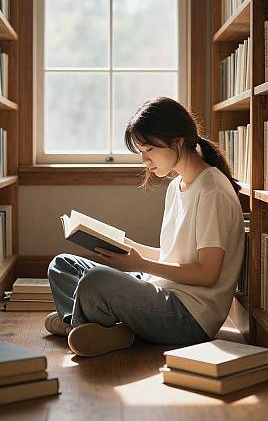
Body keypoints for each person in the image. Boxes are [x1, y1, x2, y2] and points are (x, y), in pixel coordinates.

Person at [45, 97, 245, 357]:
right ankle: (94, 326)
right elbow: (172, 256)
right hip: (161, 289)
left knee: (96, 281)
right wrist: (122, 245)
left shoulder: (212, 191)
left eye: (148, 149)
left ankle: (83, 323)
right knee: (63, 265)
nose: (144, 160)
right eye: (141, 151)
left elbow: (207, 274)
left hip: (188, 316)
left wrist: (141, 266)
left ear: (177, 141)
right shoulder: (178, 186)